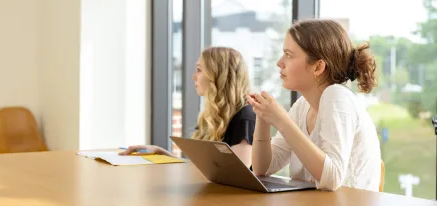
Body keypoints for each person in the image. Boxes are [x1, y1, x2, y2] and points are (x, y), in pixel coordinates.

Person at [247, 19, 381, 191]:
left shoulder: (338, 97)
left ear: (318, 67)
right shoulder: (303, 106)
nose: (279, 62)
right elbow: (262, 168)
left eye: (288, 55)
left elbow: (332, 178)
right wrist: (263, 117)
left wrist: (281, 120)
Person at [120, 47, 256, 167]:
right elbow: (203, 171)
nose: (193, 77)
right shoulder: (212, 116)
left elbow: (236, 175)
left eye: (199, 70)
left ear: (217, 74)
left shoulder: (246, 117)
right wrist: (160, 152)